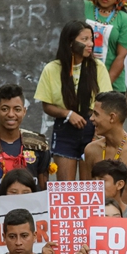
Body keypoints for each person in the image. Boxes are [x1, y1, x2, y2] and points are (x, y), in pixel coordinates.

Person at [0, 84, 53, 230]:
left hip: (31, 224)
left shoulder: (39, 145)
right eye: (5, 109)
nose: (11, 114)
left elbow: (45, 195)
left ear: (24, 111)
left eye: (17, 109)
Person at [37, 21, 111, 182]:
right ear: (70, 42)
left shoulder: (98, 67)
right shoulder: (52, 69)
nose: (90, 44)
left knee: (90, 189)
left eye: (91, 39)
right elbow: (46, 105)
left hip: (93, 130)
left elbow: (105, 104)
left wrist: (98, 136)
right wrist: (67, 113)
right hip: (64, 131)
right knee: (66, 189)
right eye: (84, 39)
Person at [80, 93, 127, 215]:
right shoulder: (91, 150)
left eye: (96, 114)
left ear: (112, 117)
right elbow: (85, 195)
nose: (91, 118)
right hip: (100, 221)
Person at [85, 0, 127, 94]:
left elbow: (122, 57)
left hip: (113, 87)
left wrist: (103, 87)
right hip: (81, 82)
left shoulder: (125, 20)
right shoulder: (83, 7)